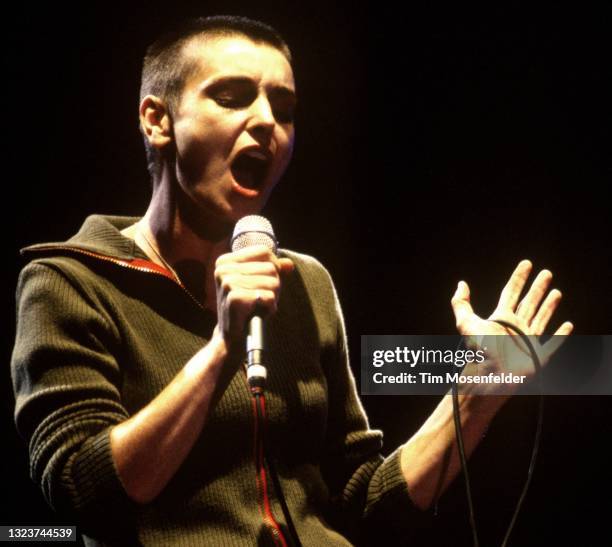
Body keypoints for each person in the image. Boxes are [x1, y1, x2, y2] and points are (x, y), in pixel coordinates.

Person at [10, 15, 573, 546]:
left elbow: (363, 504)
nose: (266, 122)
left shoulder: (306, 282)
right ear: (157, 120)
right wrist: (223, 349)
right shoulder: (71, 279)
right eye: (231, 97)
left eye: (284, 107)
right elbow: (83, 493)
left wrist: (479, 393)